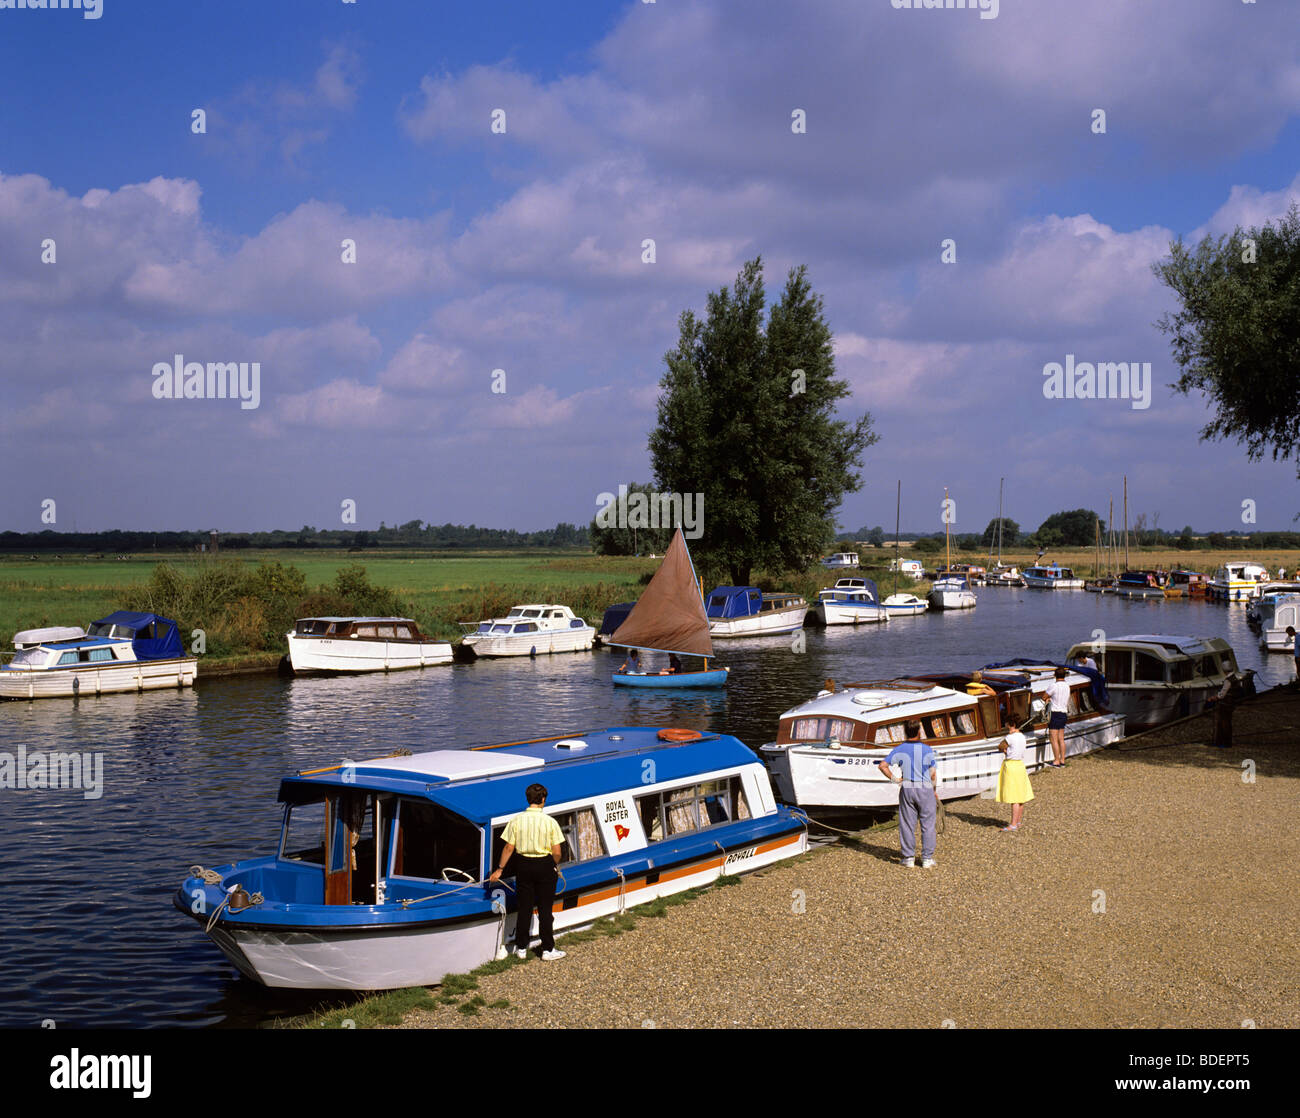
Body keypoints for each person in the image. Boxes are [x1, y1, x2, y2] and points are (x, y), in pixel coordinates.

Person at [489, 784, 567, 961]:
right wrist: (552, 865)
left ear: (527, 798)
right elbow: (557, 852)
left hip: (523, 864)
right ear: (543, 799)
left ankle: (521, 947)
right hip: (545, 865)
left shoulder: (516, 820)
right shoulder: (550, 822)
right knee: (545, 909)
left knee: (524, 907)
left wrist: (500, 869)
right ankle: (547, 949)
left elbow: (509, 847)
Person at [877, 720, 939, 868]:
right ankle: (927, 858)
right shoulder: (927, 749)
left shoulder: (899, 749)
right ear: (919, 731)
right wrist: (934, 791)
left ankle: (908, 857)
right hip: (925, 788)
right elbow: (932, 774)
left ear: (905, 732)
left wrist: (895, 779)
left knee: (907, 824)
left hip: (908, 787)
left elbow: (882, 766)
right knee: (928, 824)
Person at [995, 715, 1034, 831]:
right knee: (1020, 796)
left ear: (1011, 725)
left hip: (1011, 765)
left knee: (1014, 797)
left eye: (1007, 725)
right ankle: (1018, 822)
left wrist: (1005, 750)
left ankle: (1012, 824)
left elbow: (1000, 746)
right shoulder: (1022, 736)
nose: (1007, 727)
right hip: (1020, 765)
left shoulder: (1010, 737)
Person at [1045, 667, 1070, 768]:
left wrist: (1049, 699)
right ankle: (1063, 760)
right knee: (1061, 738)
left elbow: (1044, 697)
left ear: (1055, 675)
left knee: (1053, 738)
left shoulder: (1053, 686)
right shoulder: (1067, 686)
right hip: (1064, 713)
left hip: (1055, 714)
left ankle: (1056, 761)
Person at [1211, 674, 1243, 748]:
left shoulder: (1228, 681)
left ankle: (1224, 743)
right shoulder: (1234, 678)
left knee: (1223, 723)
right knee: (1227, 723)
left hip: (1225, 704)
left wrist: (1214, 697)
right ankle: (1223, 742)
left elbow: (1222, 694)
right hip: (1231, 704)